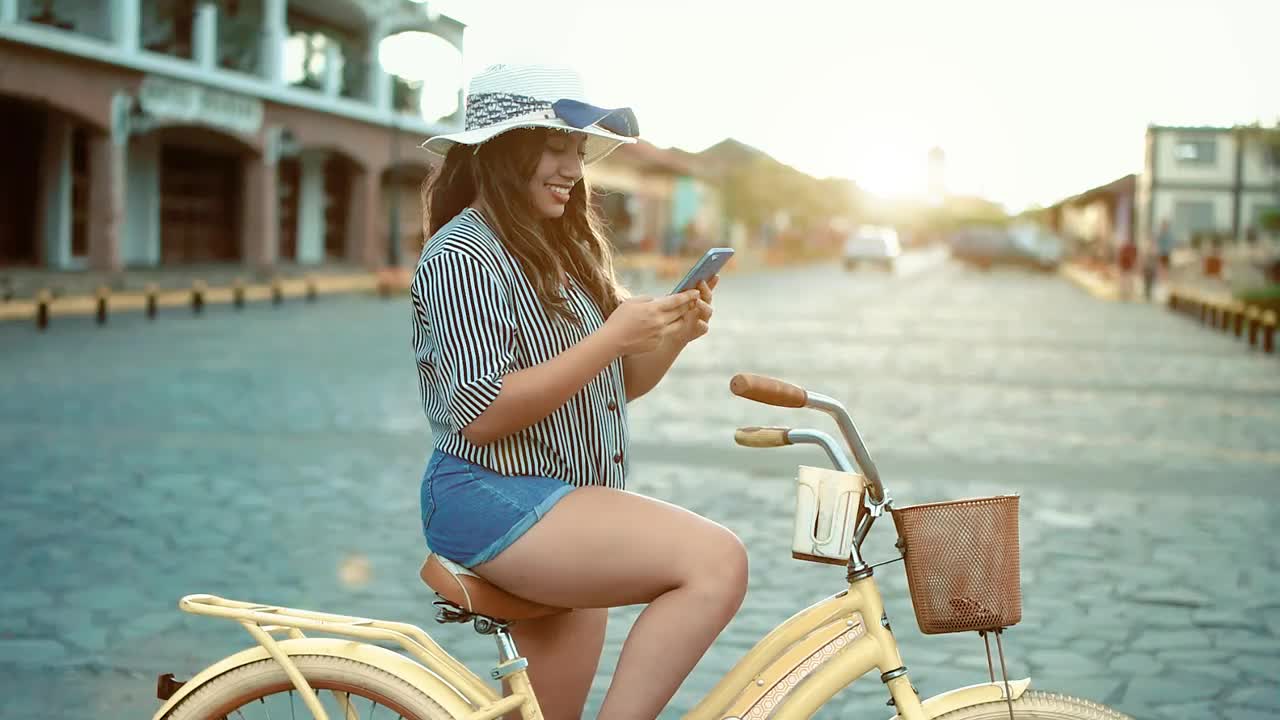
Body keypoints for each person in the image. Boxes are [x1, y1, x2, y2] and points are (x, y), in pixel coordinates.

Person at [410, 64, 748, 720]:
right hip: (491, 498)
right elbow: (481, 412)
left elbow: (615, 385)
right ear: (506, 151)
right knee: (717, 562)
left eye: (578, 150)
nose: (572, 166)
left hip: (565, 507)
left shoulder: (557, 249)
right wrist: (611, 337)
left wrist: (672, 336)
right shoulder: (462, 256)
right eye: (555, 147)